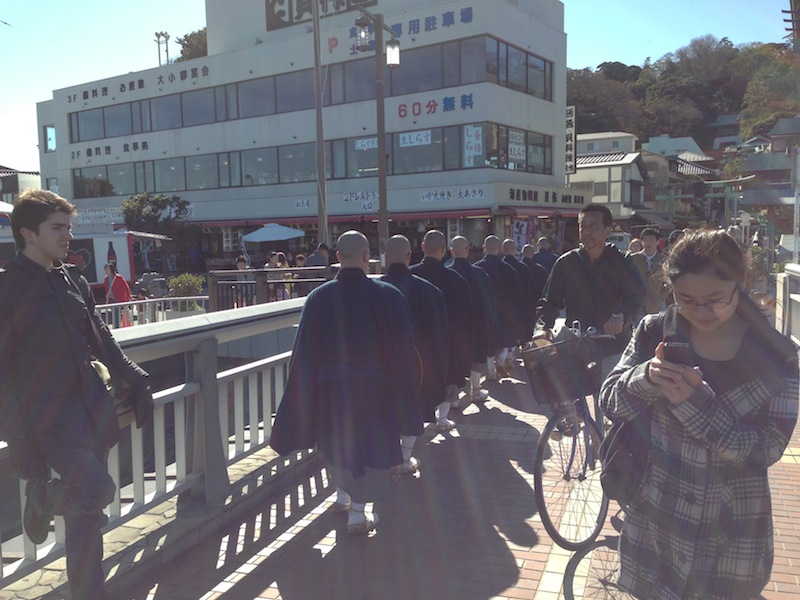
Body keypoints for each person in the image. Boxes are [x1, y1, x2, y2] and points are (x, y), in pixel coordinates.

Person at [600, 229, 798, 600]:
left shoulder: (777, 357)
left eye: (714, 300)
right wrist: (645, 377)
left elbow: (764, 451)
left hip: (731, 532)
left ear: (739, 285)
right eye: (685, 299)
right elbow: (610, 401)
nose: (701, 312)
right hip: (656, 521)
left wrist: (693, 403)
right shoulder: (654, 331)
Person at [0, 190, 153, 600]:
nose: (68, 236)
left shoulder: (73, 279)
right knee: (96, 490)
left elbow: (100, 337)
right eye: (58, 228)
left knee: (87, 521)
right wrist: (20, 441)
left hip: (91, 408)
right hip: (48, 419)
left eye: (68, 227)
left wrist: (133, 376)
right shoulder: (7, 289)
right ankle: (43, 496)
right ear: (28, 233)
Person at [270, 231, 424, 534]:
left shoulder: (319, 297)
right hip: (377, 390)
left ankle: (342, 496)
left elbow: (304, 354)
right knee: (371, 449)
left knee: (337, 444)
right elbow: (404, 353)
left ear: (337, 257)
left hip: (332, 390)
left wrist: (299, 403)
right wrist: (407, 398)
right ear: (368, 258)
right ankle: (357, 511)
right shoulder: (389, 296)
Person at [535, 204, 644, 361]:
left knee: (612, 384)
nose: (586, 232)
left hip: (615, 346)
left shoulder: (623, 261)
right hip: (577, 344)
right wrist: (542, 329)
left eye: (593, 226)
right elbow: (548, 302)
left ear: (608, 230)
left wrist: (620, 315)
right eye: (582, 226)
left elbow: (637, 295)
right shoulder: (567, 263)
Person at [381, 235, 448, 473]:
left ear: (385, 257)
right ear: (410, 256)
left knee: (383, 411)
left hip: (379, 369)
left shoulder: (374, 290)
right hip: (418, 366)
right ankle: (405, 458)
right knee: (413, 410)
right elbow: (439, 337)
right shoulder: (430, 292)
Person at [410, 230, 473, 432]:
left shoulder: (410, 274)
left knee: (417, 381)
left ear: (422, 248)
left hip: (416, 343)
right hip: (448, 340)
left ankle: (417, 422)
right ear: (445, 250)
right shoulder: (455, 280)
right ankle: (442, 418)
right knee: (448, 379)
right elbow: (465, 315)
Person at [447, 235, 497, 402]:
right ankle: (475, 390)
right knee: (477, 356)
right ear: (467, 250)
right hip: (476, 323)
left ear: (451, 251)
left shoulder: (447, 272)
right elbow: (489, 300)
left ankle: (453, 398)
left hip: (452, 325)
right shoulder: (478, 273)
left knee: (453, 359)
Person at [474, 235, 522, 379]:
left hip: (482, 310)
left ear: (484, 248)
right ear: (499, 249)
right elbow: (515, 292)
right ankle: (500, 360)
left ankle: (490, 371)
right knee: (506, 337)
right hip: (504, 309)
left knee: (487, 340)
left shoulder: (477, 268)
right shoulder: (508, 269)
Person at [631, 227, 670, 315]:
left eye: (651, 240)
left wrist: (662, 295)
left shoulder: (664, 259)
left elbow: (669, 280)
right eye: (645, 240)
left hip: (657, 301)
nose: (648, 243)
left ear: (657, 242)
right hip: (637, 302)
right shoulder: (633, 258)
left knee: (658, 326)